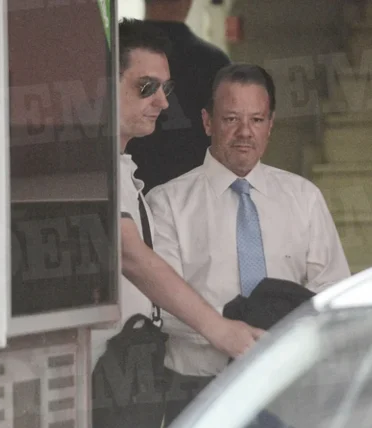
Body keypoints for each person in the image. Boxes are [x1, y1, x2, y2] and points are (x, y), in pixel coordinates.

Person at [145, 63, 351, 425]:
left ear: (270, 125)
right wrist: (232, 330)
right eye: (231, 119)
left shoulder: (304, 198)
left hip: (286, 386)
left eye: (256, 120)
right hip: (199, 388)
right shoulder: (167, 203)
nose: (245, 132)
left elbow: (332, 290)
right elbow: (159, 306)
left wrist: (285, 336)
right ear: (208, 122)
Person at [91, 18, 263, 373]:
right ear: (104, 83)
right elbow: (129, 254)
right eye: (146, 87)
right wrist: (220, 330)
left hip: (130, 367)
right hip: (96, 371)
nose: (162, 102)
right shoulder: (87, 159)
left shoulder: (120, 165)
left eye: (165, 88)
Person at [125, 0, 231, 193]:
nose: (163, 102)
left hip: (126, 188)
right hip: (192, 194)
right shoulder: (215, 63)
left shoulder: (115, 54)